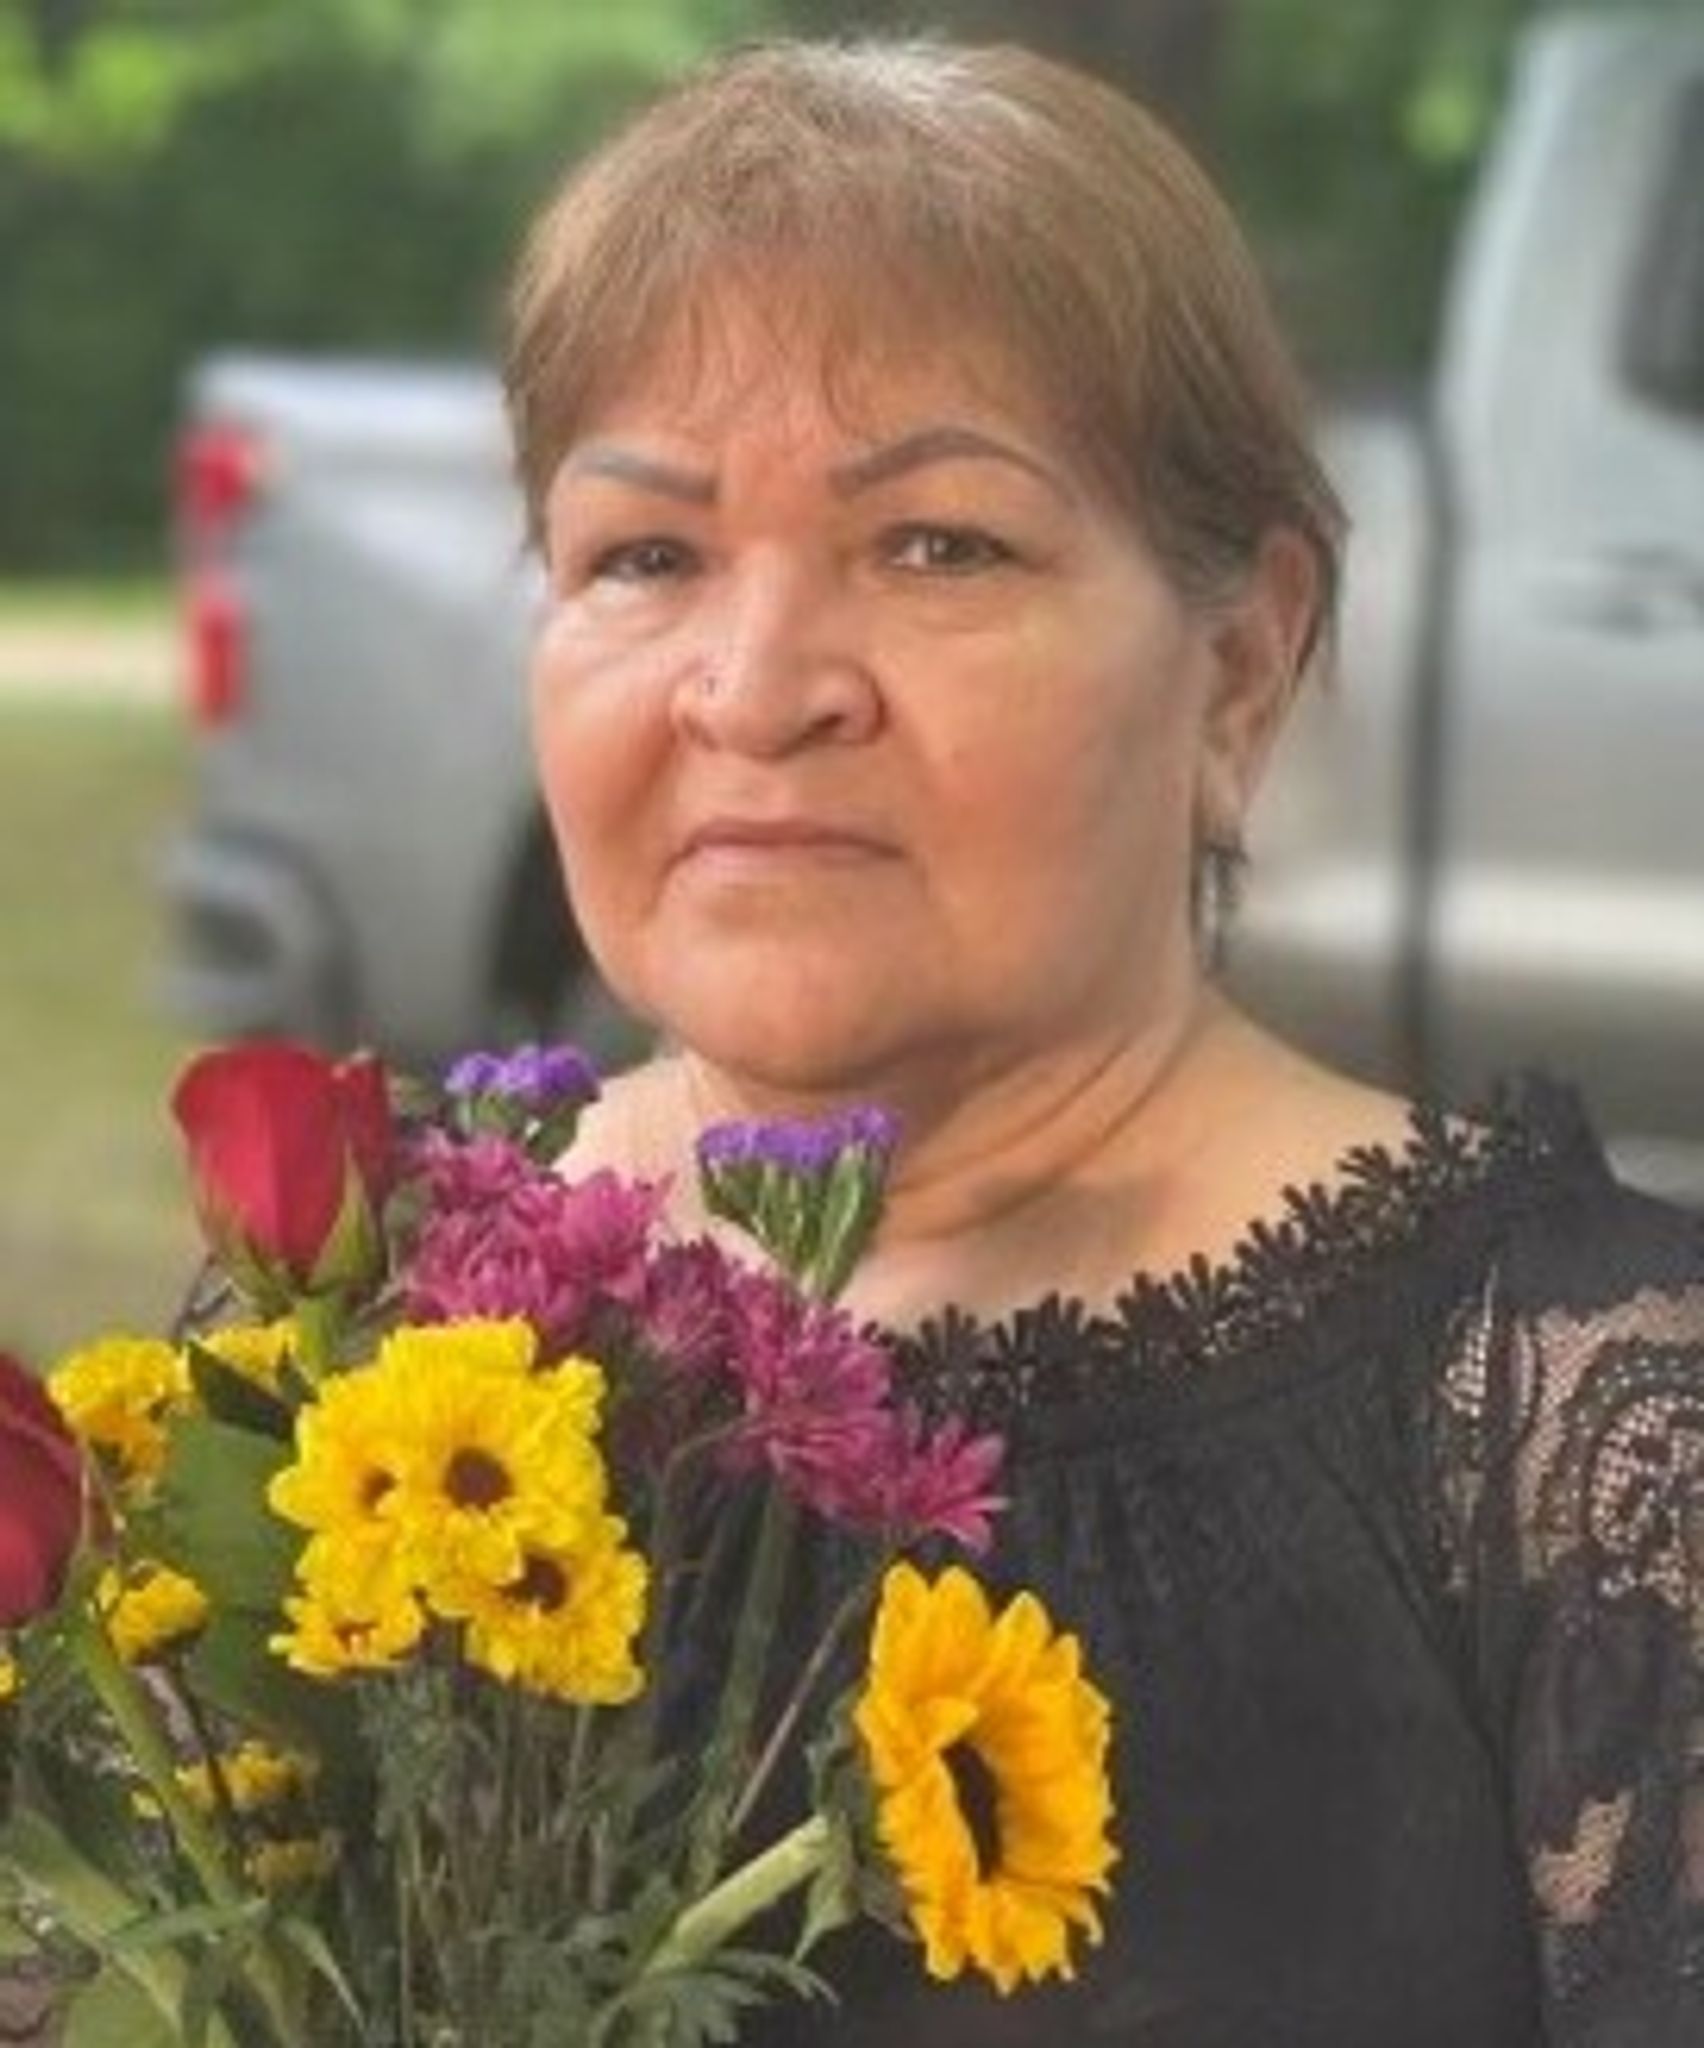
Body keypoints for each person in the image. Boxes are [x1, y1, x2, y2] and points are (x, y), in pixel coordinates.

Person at [502, 37, 1704, 2047]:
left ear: (1239, 669)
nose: (760, 687)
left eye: (938, 545)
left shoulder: (1596, 1439)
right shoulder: (376, 1340)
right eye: (647, 555)